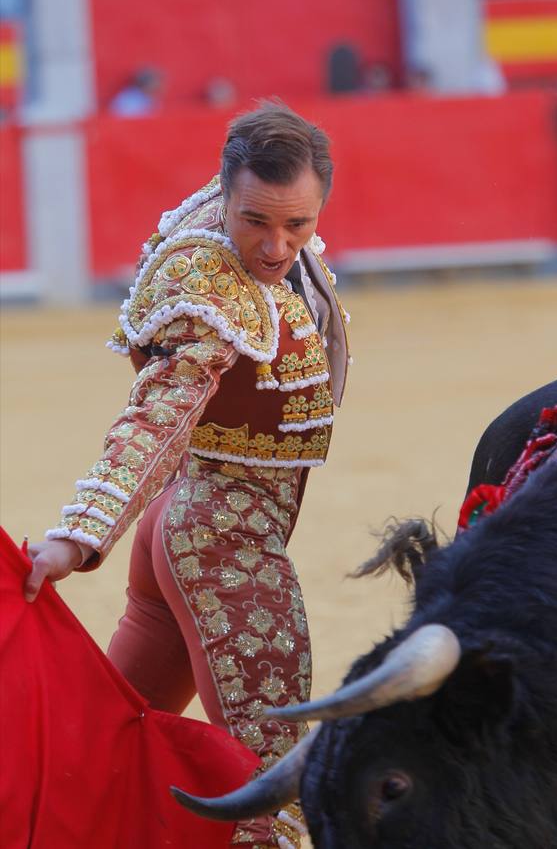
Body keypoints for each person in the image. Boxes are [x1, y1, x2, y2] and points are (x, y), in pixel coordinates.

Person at [24, 101, 351, 849]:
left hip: (187, 524)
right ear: (225, 190)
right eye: (256, 221)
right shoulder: (209, 288)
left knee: (99, 754)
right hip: (223, 539)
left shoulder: (231, 216)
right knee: (274, 790)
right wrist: (76, 537)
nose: (275, 247)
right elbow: (158, 417)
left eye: (298, 225)